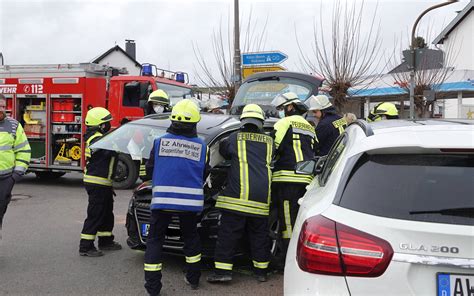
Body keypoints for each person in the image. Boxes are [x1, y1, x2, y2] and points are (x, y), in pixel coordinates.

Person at [144, 99, 209, 295]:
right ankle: (193, 279)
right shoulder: (202, 146)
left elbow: (149, 170)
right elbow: (205, 173)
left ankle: (153, 288)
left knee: (155, 240)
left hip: (162, 201)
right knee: (191, 238)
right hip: (189, 203)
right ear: (194, 123)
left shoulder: (159, 142)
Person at [207, 104, 274, 284]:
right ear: (260, 122)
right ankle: (261, 272)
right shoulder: (269, 142)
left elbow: (223, 151)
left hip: (236, 199)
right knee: (260, 236)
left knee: (228, 236)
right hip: (261, 200)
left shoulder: (235, 138)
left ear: (243, 121)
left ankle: (223, 272)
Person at [270, 92, 317, 267]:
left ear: (290, 107)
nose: (281, 112)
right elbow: (314, 150)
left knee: (288, 223)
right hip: (307, 181)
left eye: (282, 108)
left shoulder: (283, 123)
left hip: (287, 179)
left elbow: (272, 147)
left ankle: (288, 263)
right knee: (299, 220)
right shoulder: (309, 126)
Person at [79, 107, 122, 257]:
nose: (109, 125)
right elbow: (106, 148)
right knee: (95, 214)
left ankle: (105, 240)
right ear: (100, 125)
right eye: (107, 123)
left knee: (106, 213)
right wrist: (120, 133)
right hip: (96, 182)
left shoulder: (101, 137)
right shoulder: (95, 139)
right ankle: (86, 246)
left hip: (104, 183)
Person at [0, 94, 31, 240]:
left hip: (6, 179)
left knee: (0, 211)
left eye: (3, 106)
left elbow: (23, 150)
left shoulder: (13, 125)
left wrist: (16, 175)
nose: (2, 110)